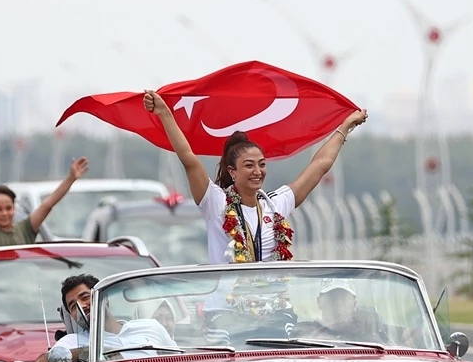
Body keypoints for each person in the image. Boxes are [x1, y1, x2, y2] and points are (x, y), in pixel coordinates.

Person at [143, 90, 367, 264]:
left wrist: (345, 127)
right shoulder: (215, 202)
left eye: (261, 164)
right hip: (227, 310)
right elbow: (188, 159)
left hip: (273, 307)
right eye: (249, 166)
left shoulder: (275, 204)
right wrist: (164, 113)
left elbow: (320, 166)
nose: (257, 171)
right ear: (232, 172)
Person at [33, 274, 175, 362]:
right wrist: (88, 352)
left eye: (85, 297)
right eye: (73, 306)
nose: (82, 306)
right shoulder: (74, 341)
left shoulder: (150, 326)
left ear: (105, 299)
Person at [292, 279, 388, 342]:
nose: (338, 303)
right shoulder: (303, 331)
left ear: (354, 304)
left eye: (344, 298)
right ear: (319, 302)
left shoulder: (367, 330)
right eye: (332, 297)